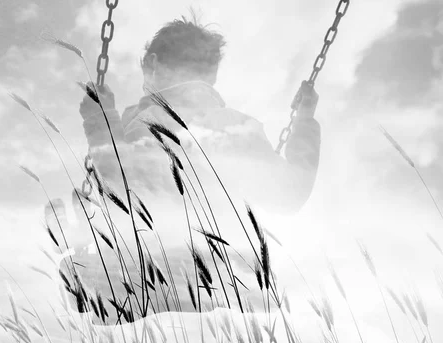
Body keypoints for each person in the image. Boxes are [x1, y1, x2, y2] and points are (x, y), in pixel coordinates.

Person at [51, 15, 321, 324]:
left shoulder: (148, 125)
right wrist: (304, 122)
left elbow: (121, 185)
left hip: (152, 300)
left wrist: (101, 121)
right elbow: (290, 194)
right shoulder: (238, 128)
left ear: (152, 63)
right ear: (213, 74)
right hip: (231, 304)